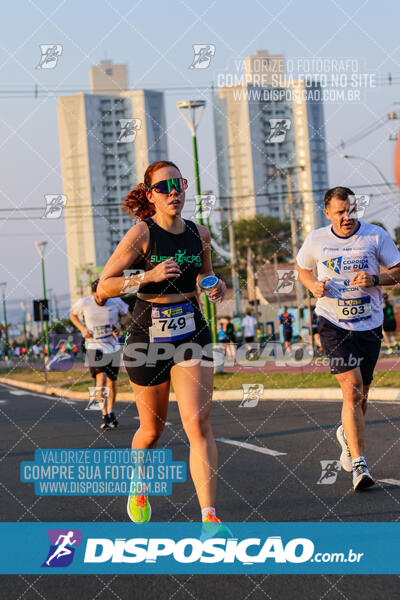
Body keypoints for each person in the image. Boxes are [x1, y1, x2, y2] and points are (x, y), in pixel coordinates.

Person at [97, 160, 230, 533]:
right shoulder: (141, 234)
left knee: (198, 424)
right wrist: (147, 275)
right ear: (151, 194)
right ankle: (138, 485)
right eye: (165, 186)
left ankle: (209, 518)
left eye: (179, 183)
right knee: (152, 430)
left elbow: (205, 273)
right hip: (147, 333)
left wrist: (214, 284)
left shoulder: (199, 233)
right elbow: (103, 287)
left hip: (191, 329)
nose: (175, 191)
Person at [296, 186, 400, 491]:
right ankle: (359, 465)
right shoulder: (316, 239)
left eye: (351, 211)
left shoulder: (375, 236)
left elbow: (398, 269)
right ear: (327, 213)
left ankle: (346, 434)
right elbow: (302, 270)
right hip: (332, 322)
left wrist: (376, 279)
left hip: (368, 324)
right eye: (340, 212)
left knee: (361, 396)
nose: (346, 218)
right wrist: (313, 285)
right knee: (352, 389)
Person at [70, 279, 130, 430]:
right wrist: (83, 329)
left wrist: (120, 325)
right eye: (98, 296)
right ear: (93, 293)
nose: (102, 299)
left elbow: (127, 315)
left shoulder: (115, 301)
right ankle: (104, 413)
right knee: (101, 378)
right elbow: (73, 315)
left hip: (113, 346)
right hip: (94, 346)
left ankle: (111, 411)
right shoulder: (84, 302)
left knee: (111, 381)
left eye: (104, 295)